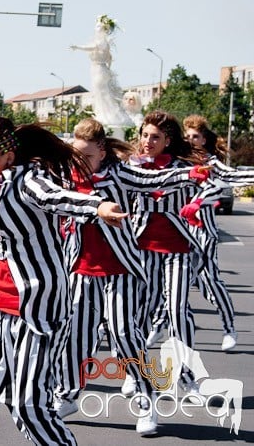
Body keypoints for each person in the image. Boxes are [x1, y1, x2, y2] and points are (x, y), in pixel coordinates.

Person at [0, 117, 127, 446]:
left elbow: (56, 197)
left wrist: (97, 206)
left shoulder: (28, 180)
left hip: (36, 310)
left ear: (8, 158)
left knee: (29, 406)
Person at [53, 118, 210, 435]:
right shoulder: (68, 178)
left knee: (124, 334)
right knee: (77, 339)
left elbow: (152, 180)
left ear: (101, 149)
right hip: (81, 271)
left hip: (120, 270)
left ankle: (145, 399)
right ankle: (68, 395)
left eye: (86, 156)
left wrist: (189, 174)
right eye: (76, 155)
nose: (80, 162)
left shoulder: (120, 174)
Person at [128, 111, 219, 397]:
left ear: (168, 141)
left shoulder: (184, 167)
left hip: (178, 249)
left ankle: (187, 376)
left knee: (178, 310)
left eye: (155, 137)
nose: (147, 141)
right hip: (142, 249)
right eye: (144, 135)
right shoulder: (131, 166)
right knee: (139, 313)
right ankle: (135, 372)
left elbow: (214, 187)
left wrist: (200, 202)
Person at [183, 115, 254, 351]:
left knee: (210, 280)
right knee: (172, 281)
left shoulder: (211, 163)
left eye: (196, 136)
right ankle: (157, 326)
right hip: (180, 231)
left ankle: (229, 328)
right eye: (188, 136)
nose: (191, 140)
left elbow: (227, 181)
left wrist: (200, 201)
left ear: (204, 139)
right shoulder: (178, 161)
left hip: (204, 231)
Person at [70, 15, 133, 139]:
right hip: (99, 69)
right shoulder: (105, 42)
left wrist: (77, 47)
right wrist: (107, 68)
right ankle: (103, 114)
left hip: (99, 69)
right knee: (102, 93)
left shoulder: (101, 41)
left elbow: (92, 48)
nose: (96, 28)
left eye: (98, 26)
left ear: (104, 29)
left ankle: (105, 115)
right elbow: (109, 58)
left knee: (101, 93)